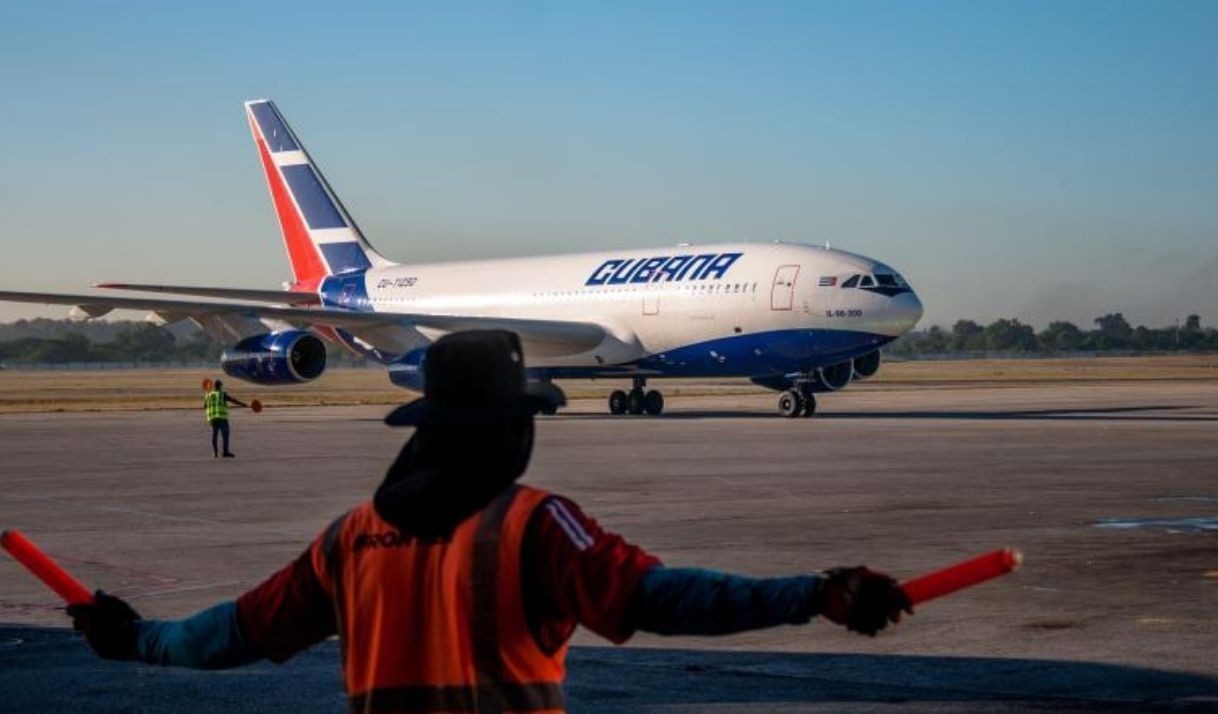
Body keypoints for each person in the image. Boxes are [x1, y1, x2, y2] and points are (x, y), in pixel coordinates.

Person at [69, 331, 912, 713]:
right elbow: (668, 600)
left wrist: (134, 637)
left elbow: (233, 635)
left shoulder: (349, 538)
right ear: (513, 427)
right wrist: (815, 594)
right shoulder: (535, 526)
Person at [204, 379, 247, 458]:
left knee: (214, 435)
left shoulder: (208, 395)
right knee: (225, 435)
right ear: (220, 386)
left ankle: (215, 453)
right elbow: (233, 400)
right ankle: (225, 452)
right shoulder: (222, 394)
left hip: (212, 418)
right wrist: (243, 404)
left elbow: (205, 406)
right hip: (222, 418)